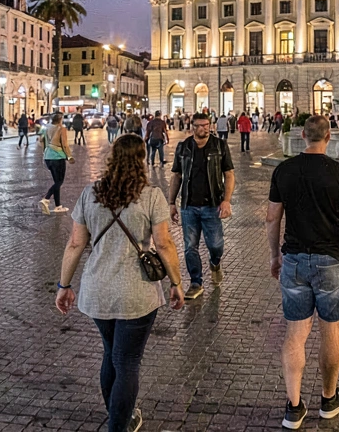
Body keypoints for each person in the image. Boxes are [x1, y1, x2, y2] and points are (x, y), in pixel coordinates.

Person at [56, 134, 185, 432]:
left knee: (110, 354)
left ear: (112, 158)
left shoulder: (91, 193)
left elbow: (75, 244)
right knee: (127, 361)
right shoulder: (151, 195)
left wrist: (63, 285)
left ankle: (118, 414)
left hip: (97, 291)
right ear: (142, 159)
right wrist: (176, 282)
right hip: (137, 294)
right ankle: (119, 423)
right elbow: (164, 244)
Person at [267, 115, 339, 428]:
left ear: (302, 135)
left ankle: (294, 407)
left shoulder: (283, 170)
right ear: (330, 136)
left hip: (294, 260)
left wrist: (274, 256)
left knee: (295, 335)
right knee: (330, 331)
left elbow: (272, 219)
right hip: (332, 261)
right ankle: (328, 399)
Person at [168, 112, 236, 299]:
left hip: (212, 205)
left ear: (210, 126)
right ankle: (196, 282)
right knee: (190, 246)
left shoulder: (219, 146)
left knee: (215, 245)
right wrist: (172, 203)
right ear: (192, 127)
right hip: (189, 205)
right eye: (199, 125)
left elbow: (229, 174)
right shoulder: (183, 148)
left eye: (206, 125)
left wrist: (226, 200)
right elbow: (176, 176)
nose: (203, 128)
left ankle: (215, 263)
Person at [40, 112, 73, 214]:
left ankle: (58, 206)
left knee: (56, 182)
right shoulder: (61, 129)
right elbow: (64, 144)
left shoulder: (47, 128)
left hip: (48, 157)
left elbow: (42, 141)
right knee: (59, 182)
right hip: (58, 157)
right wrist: (69, 156)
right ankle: (46, 198)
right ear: (60, 119)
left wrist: (45, 154)